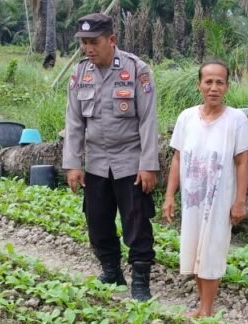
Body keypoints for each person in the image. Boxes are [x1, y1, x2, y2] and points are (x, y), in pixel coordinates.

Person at [62, 13, 159, 300]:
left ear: (111, 40)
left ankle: (140, 280)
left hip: (130, 161)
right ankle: (111, 270)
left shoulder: (137, 70)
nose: (88, 49)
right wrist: (72, 164)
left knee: (137, 221)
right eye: (84, 43)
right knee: (97, 219)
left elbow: (148, 121)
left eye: (94, 42)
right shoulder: (80, 73)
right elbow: (74, 121)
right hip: (96, 163)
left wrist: (148, 165)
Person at [162, 60, 248, 317]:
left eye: (219, 82)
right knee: (193, 248)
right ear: (199, 84)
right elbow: (178, 159)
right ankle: (202, 305)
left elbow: (243, 162)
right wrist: (170, 196)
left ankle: (207, 309)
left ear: (227, 86)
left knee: (212, 249)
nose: (214, 88)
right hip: (192, 200)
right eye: (208, 82)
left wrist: (240, 200)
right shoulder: (187, 118)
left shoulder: (237, 120)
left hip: (220, 200)